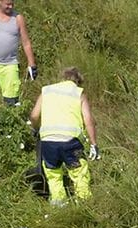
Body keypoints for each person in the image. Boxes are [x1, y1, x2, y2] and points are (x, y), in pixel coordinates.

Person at [29, 67, 99, 207]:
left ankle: (58, 204)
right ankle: (85, 204)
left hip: (48, 142)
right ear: (78, 81)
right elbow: (88, 120)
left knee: (53, 174)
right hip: (70, 142)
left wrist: (36, 129)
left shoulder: (47, 91)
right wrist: (93, 144)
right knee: (79, 172)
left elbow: (34, 115)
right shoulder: (78, 93)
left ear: (63, 78)